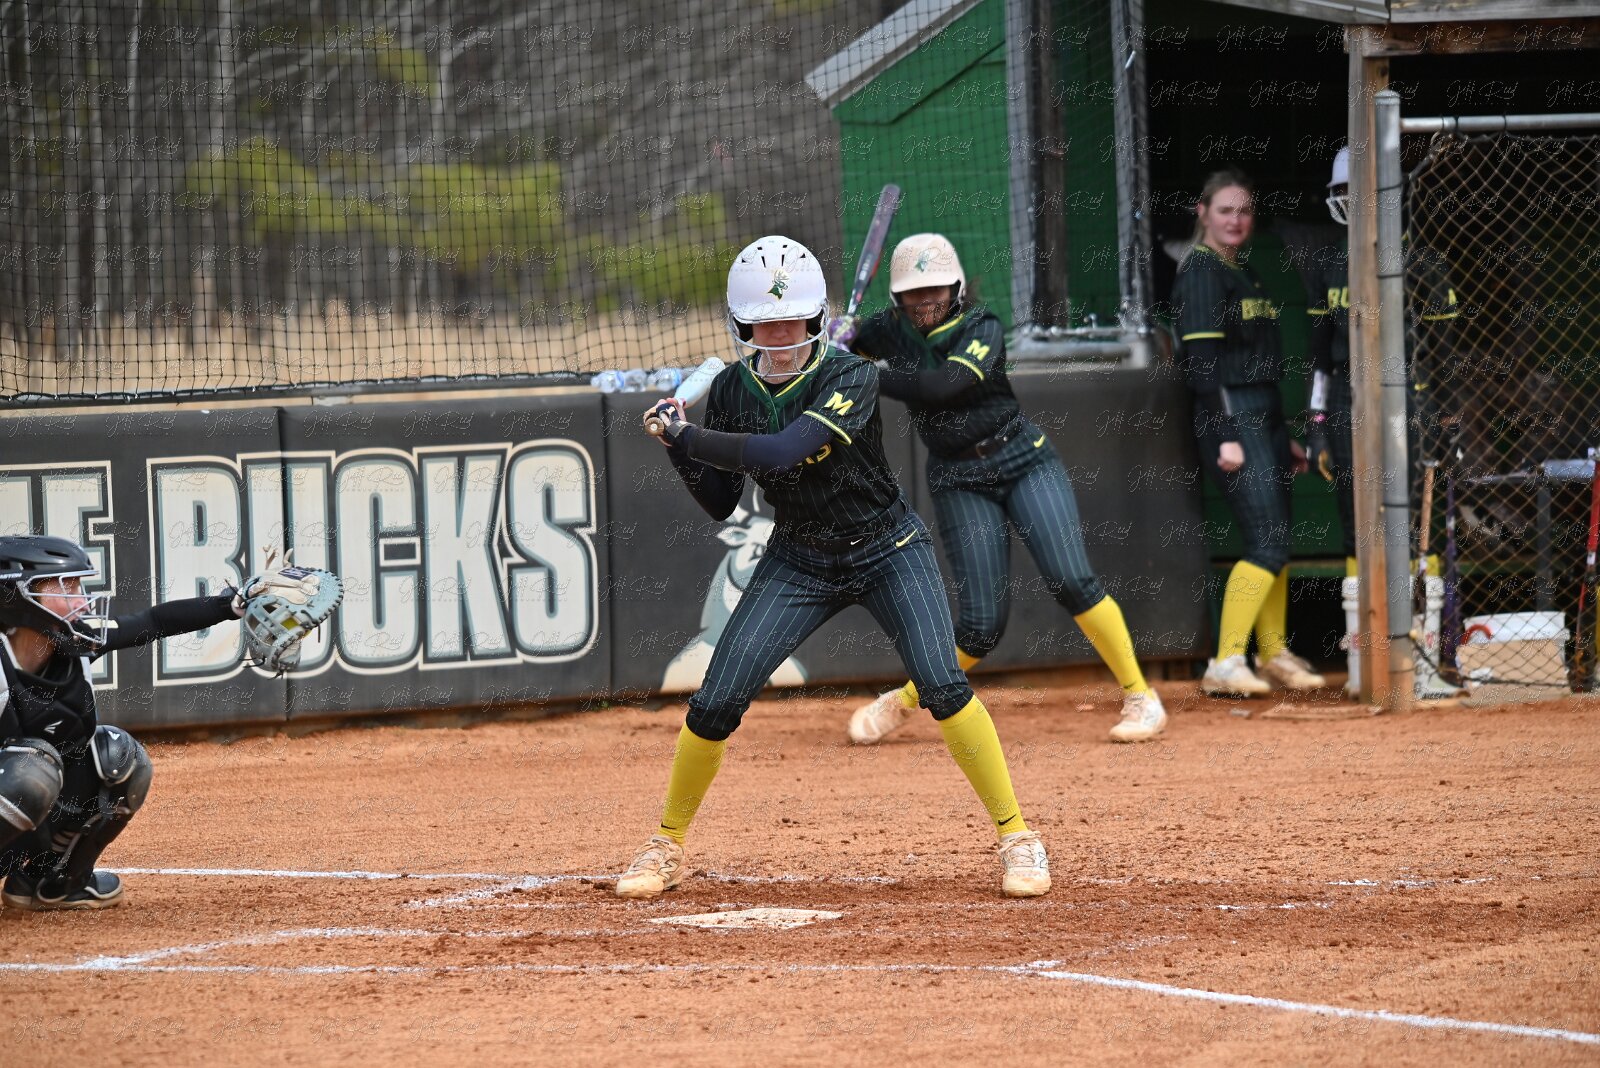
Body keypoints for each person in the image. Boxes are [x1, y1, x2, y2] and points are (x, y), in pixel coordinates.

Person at [616, 235, 1050, 900]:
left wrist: (688, 435)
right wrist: (678, 447)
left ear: (817, 318)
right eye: (765, 323)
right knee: (716, 700)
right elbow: (720, 501)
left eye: (794, 320)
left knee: (942, 686)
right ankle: (665, 843)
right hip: (799, 557)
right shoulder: (731, 388)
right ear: (741, 326)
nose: (781, 335)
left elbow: (783, 451)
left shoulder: (852, 375)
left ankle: (1017, 836)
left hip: (887, 548)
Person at [829, 233, 1167, 744]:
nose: (925, 302)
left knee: (1071, 580)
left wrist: (862, 371)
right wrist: (833, 342)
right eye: (914, 293)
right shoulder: (887, 330)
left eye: (935, 290)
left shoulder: (981, 325)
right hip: (958, 478)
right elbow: (827, 359)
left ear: (956, 287)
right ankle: (903, 700)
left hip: (1023, 459)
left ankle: (1141, 697)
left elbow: (945, 385)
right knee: (981, 627)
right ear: (897, 298)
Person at [0, 535, 244, 909]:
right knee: (29, 771)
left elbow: (152, 621)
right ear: (13, 597)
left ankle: (52, 881)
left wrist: (234, 604)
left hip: (21, 826)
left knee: (117, 757)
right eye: (65, 588)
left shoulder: (76, 643)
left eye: (78, 586)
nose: (81, 601)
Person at [1306, 147, 1460, 695]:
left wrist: (1447, 419)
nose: (1354, 202)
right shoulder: (1329, 263)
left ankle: (1424, 658)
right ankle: (1366, 665)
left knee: (1417, 528)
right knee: (1357, 525)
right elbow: (1319, 357)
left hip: (1409, 402)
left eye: (1365, 193)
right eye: (1346, 193)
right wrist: (1317, 422)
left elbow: (1445, 355)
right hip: (1347, 403)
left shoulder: (1423, 262)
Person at [1170, 169, 1326, 698]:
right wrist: (1226, 435)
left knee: (1276, 539)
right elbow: (1201, 365)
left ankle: (1273, 652)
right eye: (1225, 210)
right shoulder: (1201, 273)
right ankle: (1227, 661)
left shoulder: (1241, 269)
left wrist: (1283, 436)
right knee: (1267, 541)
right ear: (1203, 213)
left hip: (1263, 416)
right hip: (1232, 416)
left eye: (1244, 211)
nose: (1236, 220)